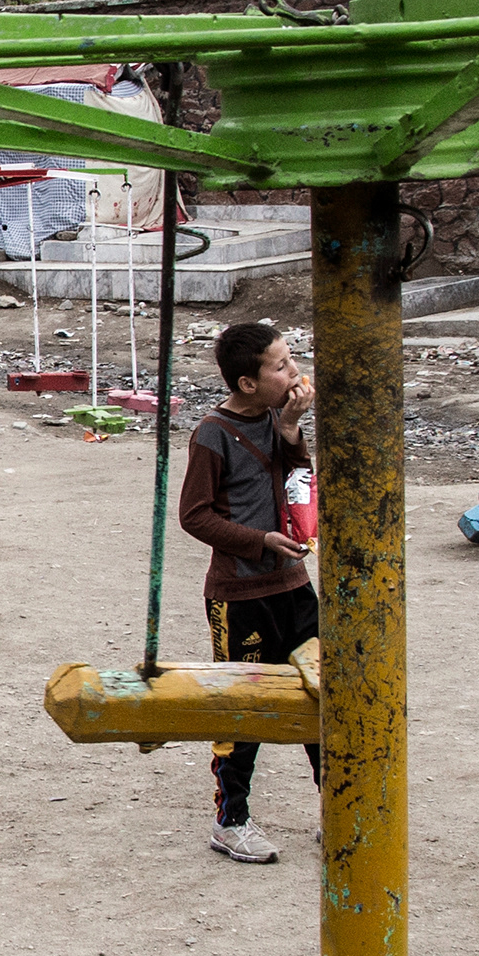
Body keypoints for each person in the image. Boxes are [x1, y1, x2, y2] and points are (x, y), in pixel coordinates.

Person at [178, 319, 320, 864]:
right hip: (239, 596)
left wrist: (292, 428)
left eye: (291, 359)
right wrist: (259, 541)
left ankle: (337, 803)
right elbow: (195, 516)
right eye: (280, 366)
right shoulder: (213, 433)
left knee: (322, 693)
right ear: (247, 383)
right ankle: (230, 820)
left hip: (294, 586)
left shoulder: (277, 419)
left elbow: (298, 482)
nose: (294, 372)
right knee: (243, 707)